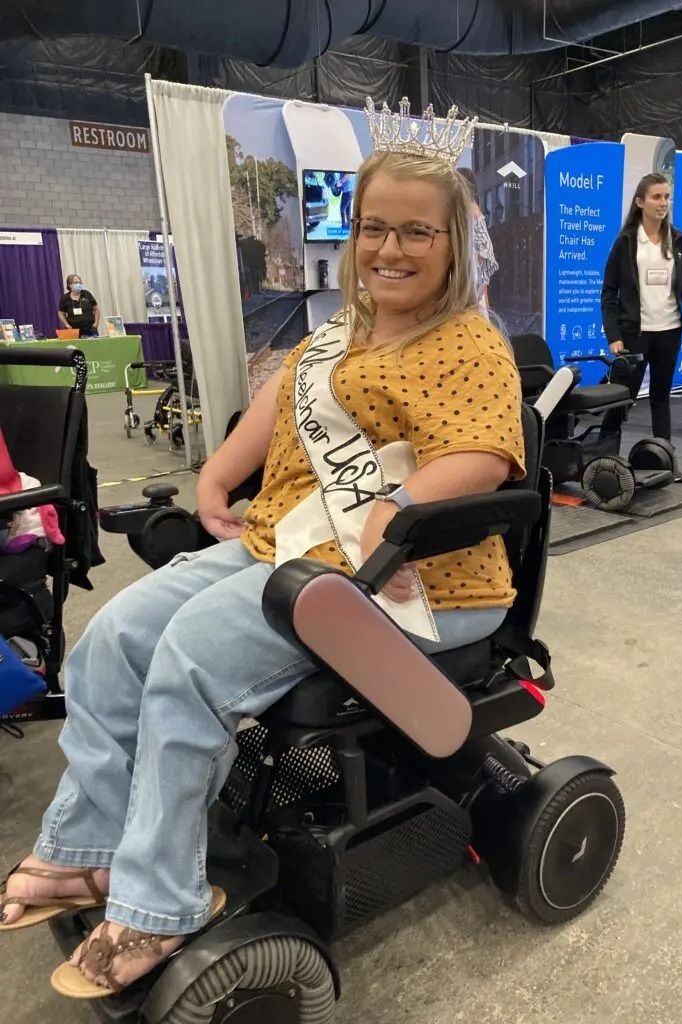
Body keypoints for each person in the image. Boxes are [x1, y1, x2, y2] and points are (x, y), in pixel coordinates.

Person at [0, 137, 525, 998]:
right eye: (373, 228)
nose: (389, 249)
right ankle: (90, 851)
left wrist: (398, 509)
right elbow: (276, 406)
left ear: (455, 244)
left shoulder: (471, 343)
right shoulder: (335, 333)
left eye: (416, 233)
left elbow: (485, 455)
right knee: (114, 639)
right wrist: (214, 473)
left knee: (193, 658)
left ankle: (161, 904)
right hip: (287, 549)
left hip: (416, 578)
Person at [601, 173, 682, 480]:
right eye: (656, 197)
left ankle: (665, 461)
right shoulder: (627, 241)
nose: (663, 203)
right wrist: (614, 335)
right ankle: (604, 458)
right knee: (620, 398)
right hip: (634, 335)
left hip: (669, 331)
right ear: (640, 202)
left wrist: (673, 299)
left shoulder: (678, 240)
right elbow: (608, 292)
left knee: (660, 397)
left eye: (667, 197)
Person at [456, 166, 499, 314]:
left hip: (469, 276)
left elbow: (484, 251)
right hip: (472, 277)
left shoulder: (468, 209)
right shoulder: (472, 208)